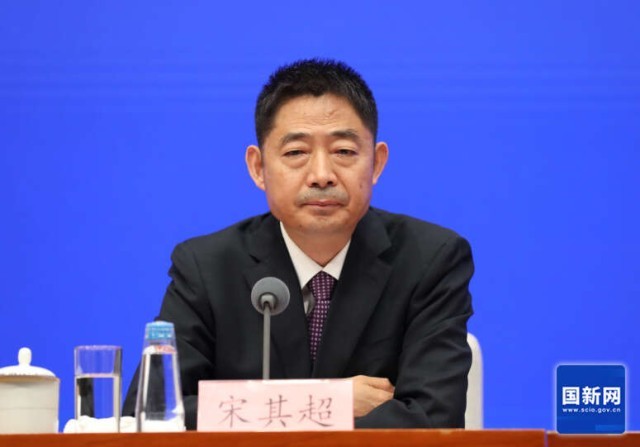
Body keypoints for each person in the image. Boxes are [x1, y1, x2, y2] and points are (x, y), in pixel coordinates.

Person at [123, 58, 474, 429]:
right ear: (258, 167)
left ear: (376, 163)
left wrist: (266, 412)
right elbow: (153, 412)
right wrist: (331, 400)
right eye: (296, 153)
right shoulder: (206, 267)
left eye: (343, 151)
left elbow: (434, 418)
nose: (321, 175)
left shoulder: (430, 260)